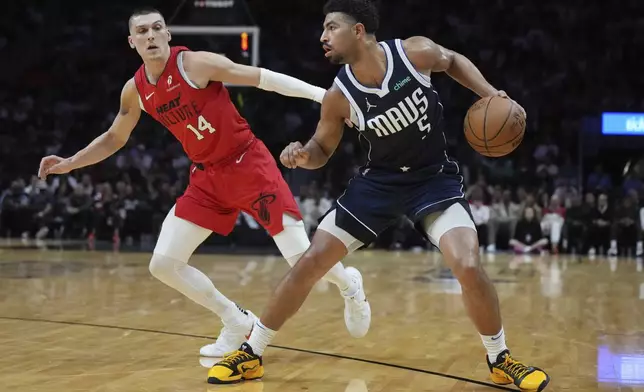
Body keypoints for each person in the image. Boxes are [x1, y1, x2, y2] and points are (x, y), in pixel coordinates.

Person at [208, 0, 550, 390]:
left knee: (468, 265)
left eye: (331, 27)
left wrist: (492, 95)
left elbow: (452, 60)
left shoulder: (413, 53)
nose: (322, 37)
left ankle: (500, 358)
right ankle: (252, 353)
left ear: (358, 31)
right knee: (310, 261)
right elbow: (322, 147)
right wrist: (304, 154)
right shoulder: (339, 96)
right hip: (379, 184)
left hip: (432, 179)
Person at [37, 7, 371, 358]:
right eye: (142, 31)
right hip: (207, 178)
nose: (151, 35)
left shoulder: (194, 64)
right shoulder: (134, 90)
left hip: (249, 165)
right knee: (163, 263)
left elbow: (262, 77)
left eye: (157, 28)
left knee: (299, 259)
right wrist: (71, 163)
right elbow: (114, 137)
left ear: (168, 34)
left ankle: (350, 285)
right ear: (132, 42)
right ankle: (236, 320)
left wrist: (325, 97)